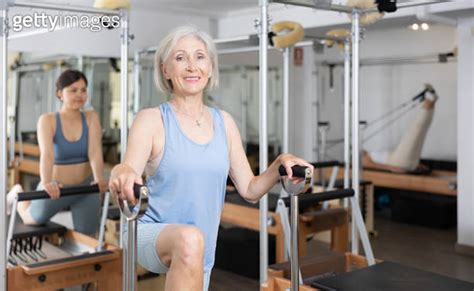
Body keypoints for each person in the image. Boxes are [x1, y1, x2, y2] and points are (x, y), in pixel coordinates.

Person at [109, 25, 313, 291]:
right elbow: (128, 167)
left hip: (201, 248)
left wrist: (279, 164)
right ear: (166, 70)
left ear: (211, 68)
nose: (192, 66)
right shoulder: (152, 119)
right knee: (190, 239)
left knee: (194, 243)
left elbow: (250, 190)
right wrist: (121, 173)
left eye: (200, 57)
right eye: (181, 58)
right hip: (152, 233)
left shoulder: (224, 122)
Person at [14, 69, 107, 236]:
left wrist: (99, 178)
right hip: (57, 187)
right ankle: (17, 192)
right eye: (73, 90)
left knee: (88, 236)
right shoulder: (48, 120)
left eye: (83, 90)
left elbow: (95, 151)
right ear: (59, 93)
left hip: (85, 188)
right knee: (32, 220)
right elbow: (47, 155)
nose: (80, 94)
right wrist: (47, 182)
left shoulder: (91, 117)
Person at [362, 88, 438, 173]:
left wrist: (416, 165)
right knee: (416, 130)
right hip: (396, 163)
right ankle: (430, 100)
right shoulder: (362, 158)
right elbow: (375, 166)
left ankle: (431, 102)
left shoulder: (369, 153)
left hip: (402, 162)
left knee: (421, 131)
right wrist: (392, 168)